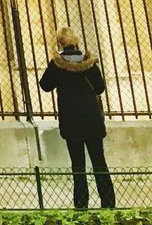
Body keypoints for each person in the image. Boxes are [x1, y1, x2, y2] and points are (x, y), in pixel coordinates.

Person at [39, 26, 115, 210]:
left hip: (71, 121)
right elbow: (100, 88)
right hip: (92, 120)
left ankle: (81, 206)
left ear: (61, 43)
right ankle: (108, 203)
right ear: (76, 41)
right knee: (99, 162)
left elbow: (45, 85)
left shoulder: (57, 65)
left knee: (78, 166)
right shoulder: (89, 63)